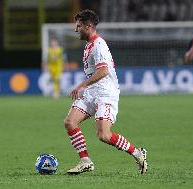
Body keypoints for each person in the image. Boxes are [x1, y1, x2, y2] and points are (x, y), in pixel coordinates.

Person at [64, 9, 148, 174]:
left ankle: (138, 153)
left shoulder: (98, 45)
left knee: (104, 135)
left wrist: (81, 85)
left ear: (88, 26)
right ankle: (85, 161)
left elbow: (103, 71)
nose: (76, 29)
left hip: (105, 94)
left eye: (79, 26)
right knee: (69, 122)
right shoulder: (89, 44)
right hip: (91, 92)